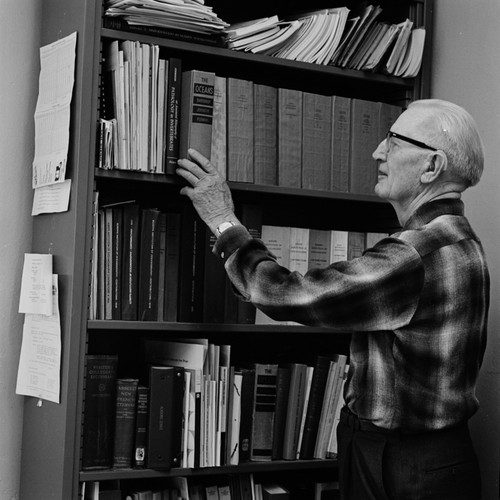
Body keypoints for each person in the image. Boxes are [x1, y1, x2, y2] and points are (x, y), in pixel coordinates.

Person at [176, 98, 489, 500]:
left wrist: (224, 220)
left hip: (402, 462)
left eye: (395, 141)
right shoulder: (462, 238)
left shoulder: (416, 253)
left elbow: (286, 294)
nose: (378, 151)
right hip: (436, 455)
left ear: (432, 167)